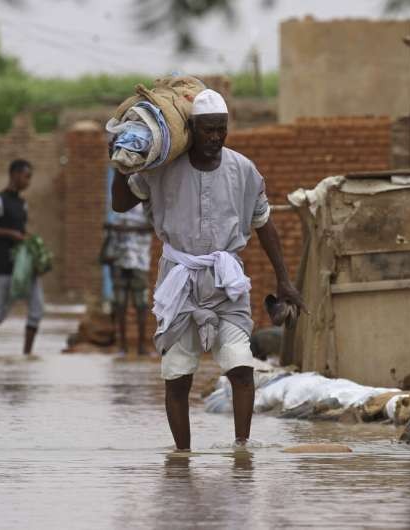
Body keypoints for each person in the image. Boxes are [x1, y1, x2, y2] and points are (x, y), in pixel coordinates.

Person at [110, 89, 305, 451]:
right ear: (192, 129)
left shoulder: (243, 170)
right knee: (177, 375)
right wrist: (122, 165)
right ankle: (182, 457)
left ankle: (241, 449)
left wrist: (284, 279)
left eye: (221, 129)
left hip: (226, 281)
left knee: (241, 368)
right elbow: (120, 204)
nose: (215, 137)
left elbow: (264, 223)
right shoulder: (162, 170)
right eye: (207, 130)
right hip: (178, 280)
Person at [0, 159, 44, 355]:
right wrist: (8, 234)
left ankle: (27, 355)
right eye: (26, 176)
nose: (28, 181)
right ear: (14, 174)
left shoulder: (22, 204)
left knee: (37, 309)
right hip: (5, 267)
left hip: (25, 267)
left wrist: (35, 249)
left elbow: (22, 232)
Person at [104, 203, 154, 355]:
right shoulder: (117, 202)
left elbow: (153, 228)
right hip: (119, 260)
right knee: (120, 305)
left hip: (139, 261)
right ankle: (122, 346)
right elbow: (110, 228)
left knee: (141, 305)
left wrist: (127, 229)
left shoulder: (146, 203)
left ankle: (141, 346)